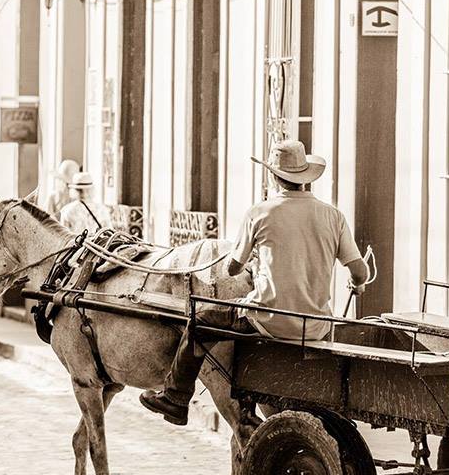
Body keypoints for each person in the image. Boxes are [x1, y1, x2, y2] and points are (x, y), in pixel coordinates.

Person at [140, 140, 370, 425]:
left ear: (274, 177)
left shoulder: (260, 213)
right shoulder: (333, 216)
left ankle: (175, 397)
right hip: (316, 325)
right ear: (305, 178)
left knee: (199, 323)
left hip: (267, 320)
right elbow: (360, 272)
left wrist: (253, 261)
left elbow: (232, 268)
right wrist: (357, 284)